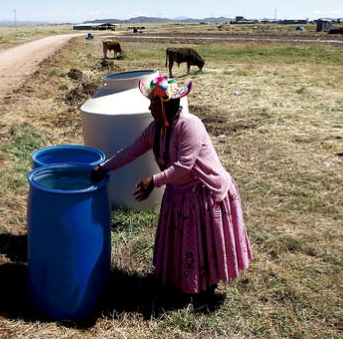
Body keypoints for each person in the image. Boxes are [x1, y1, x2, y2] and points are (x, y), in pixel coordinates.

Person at [91, 76, 252, 298]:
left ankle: (206, 287)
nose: (150, 107)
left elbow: (185, 166)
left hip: (204, 193)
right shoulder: (156, 129)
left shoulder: (189, 125)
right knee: (186, 244)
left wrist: (154, 181)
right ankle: (186, 282)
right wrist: (104, 168)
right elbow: (131, 150)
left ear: (167, 104)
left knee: (203, 242)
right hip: (180, 194)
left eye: (154, 103)